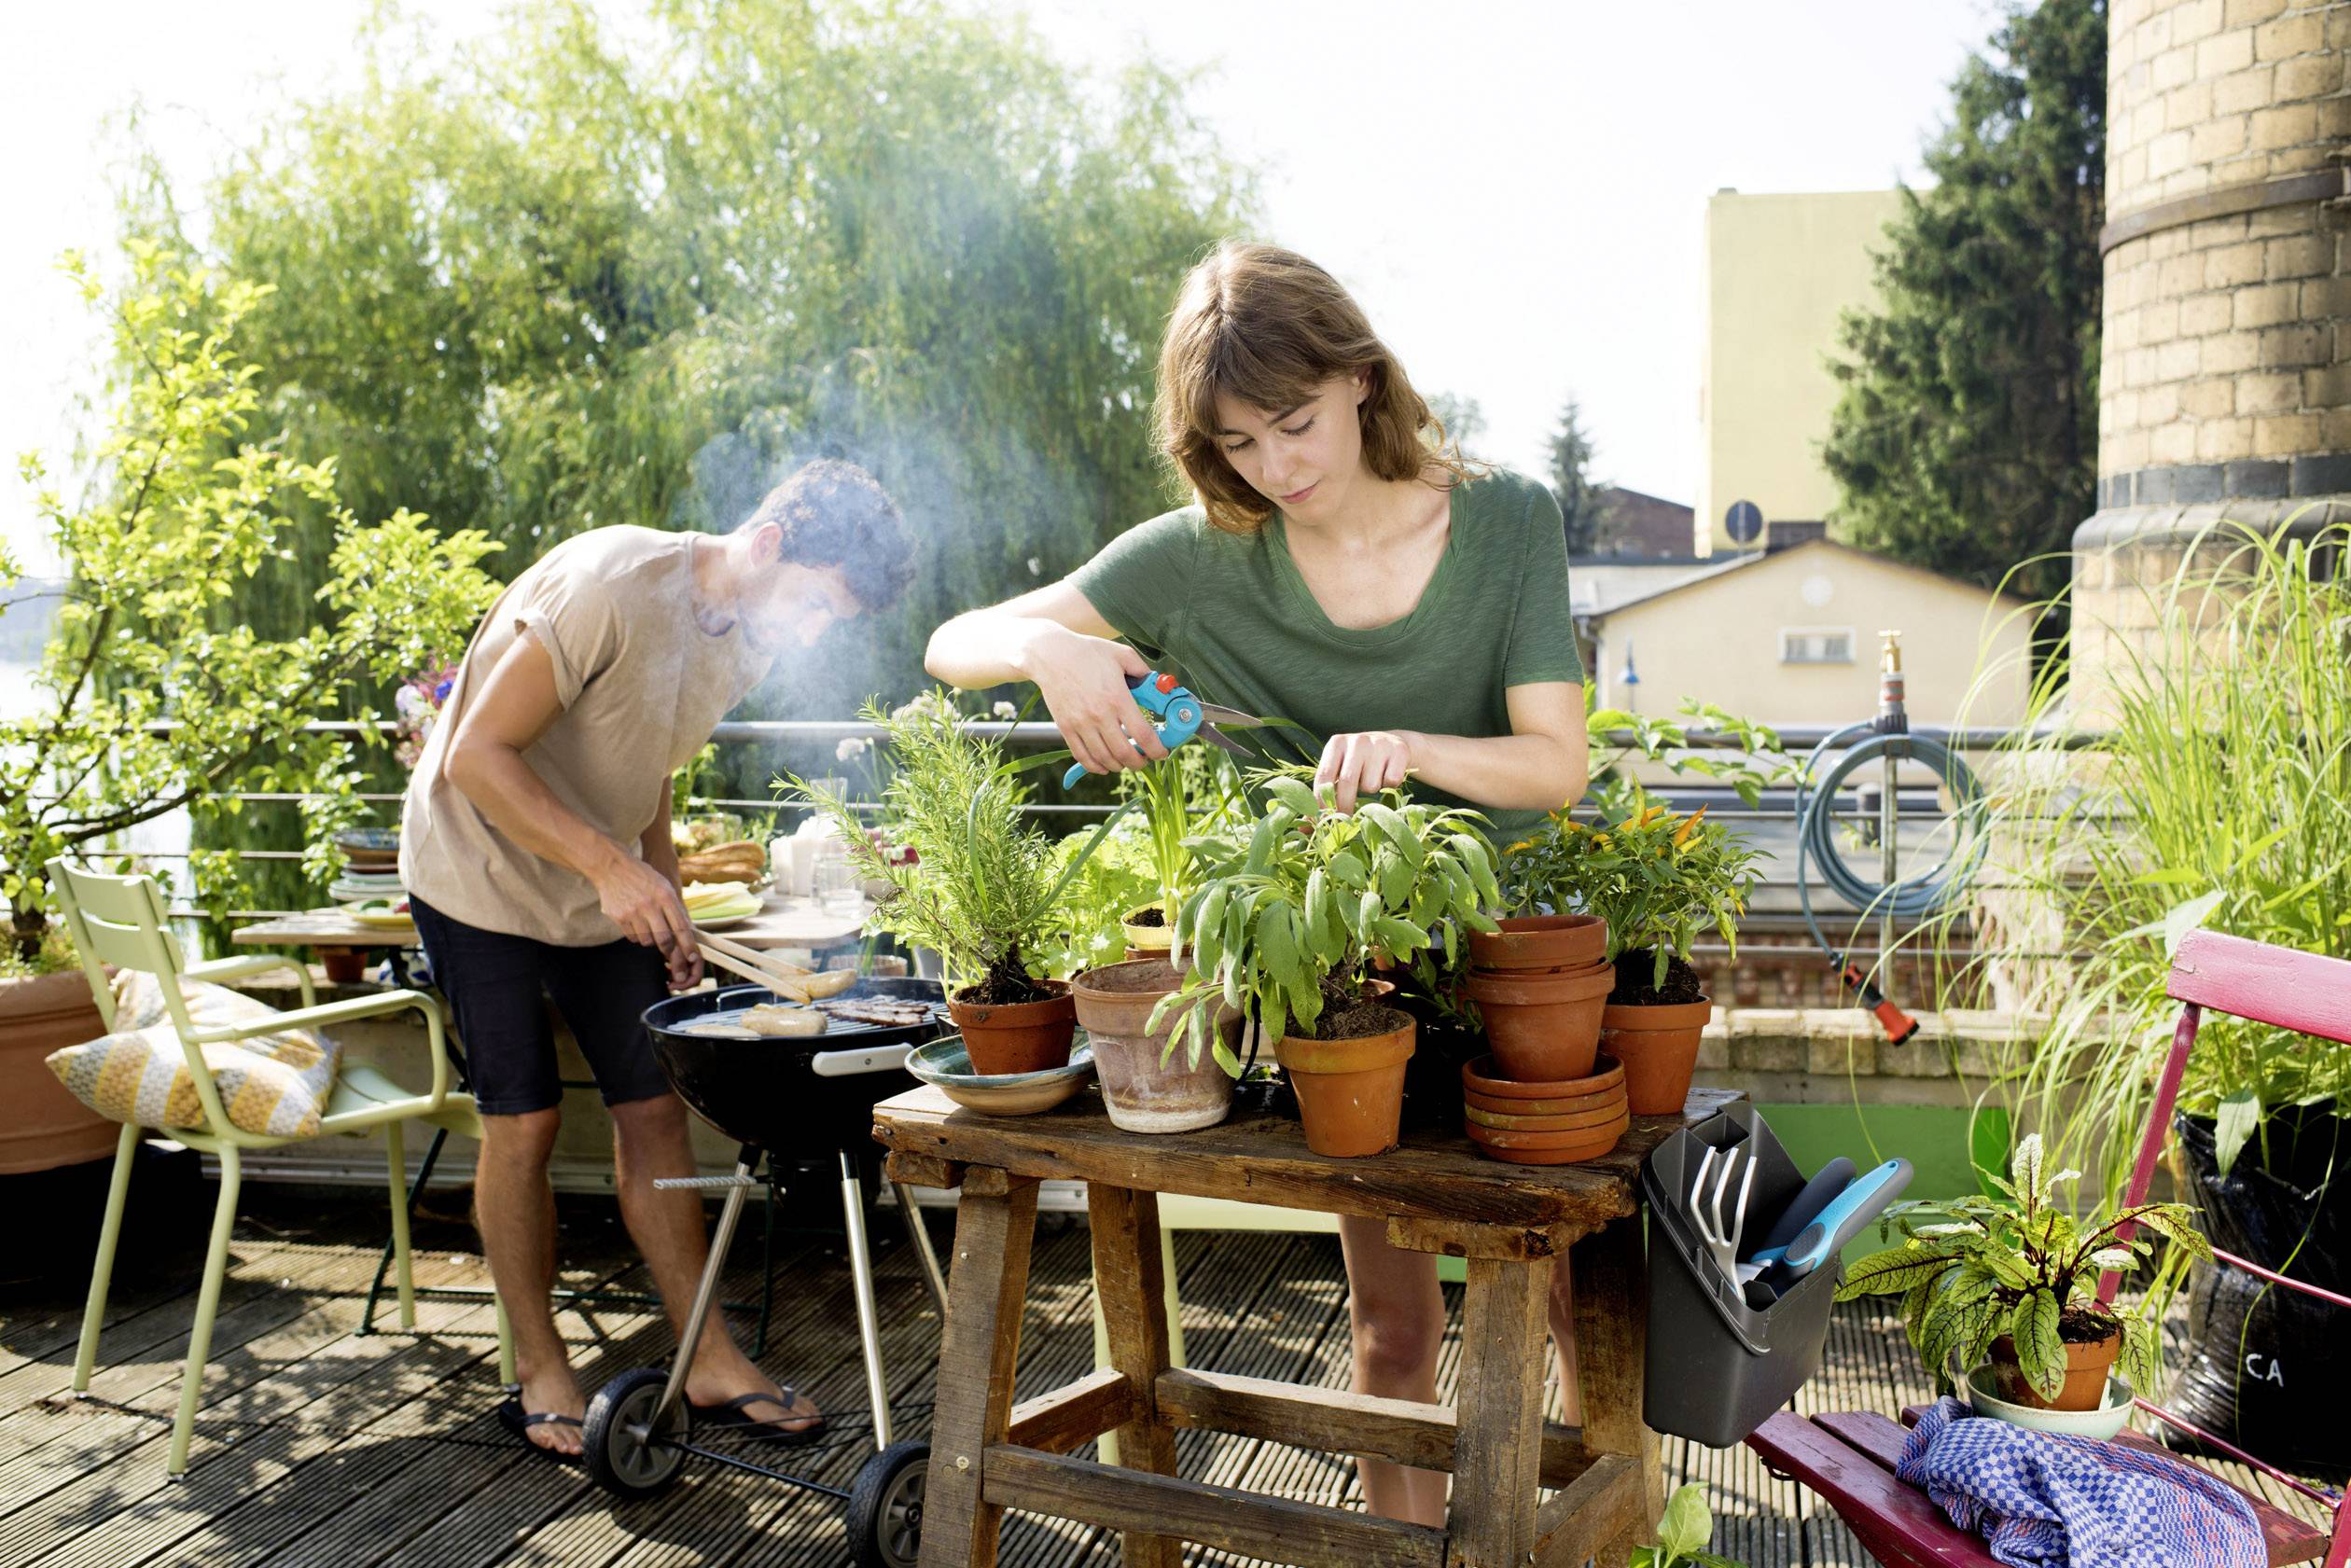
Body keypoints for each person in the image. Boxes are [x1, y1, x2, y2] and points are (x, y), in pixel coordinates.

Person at [925, 242, 1589, 1524]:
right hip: (1338, 982)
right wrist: (1055, 647)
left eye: (1295, 421)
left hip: (1515, 968)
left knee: (1566, 1299)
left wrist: (1413, 753)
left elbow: (1555, 764)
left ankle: (1581, 1545)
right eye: (1239, 442)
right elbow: (954, 646)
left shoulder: (1508, 520)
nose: (1279, 465)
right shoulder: (1199, 556)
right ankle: (1399, 1552)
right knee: (1393, 1326)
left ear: (1357, 377)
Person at [397, 459, 915, 1458]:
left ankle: (711, 1355)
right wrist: (610, 867)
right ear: (767, 546)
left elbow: (651, 767)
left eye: (830, 619)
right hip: (475, 864)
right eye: (814, 602)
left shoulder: (745, 638)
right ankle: (538, 1364)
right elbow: (472, 754)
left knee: (653, 1111)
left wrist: (663, 892)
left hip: (595, 879)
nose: (811, 630)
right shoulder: (607, 589)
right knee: (526, 1119)